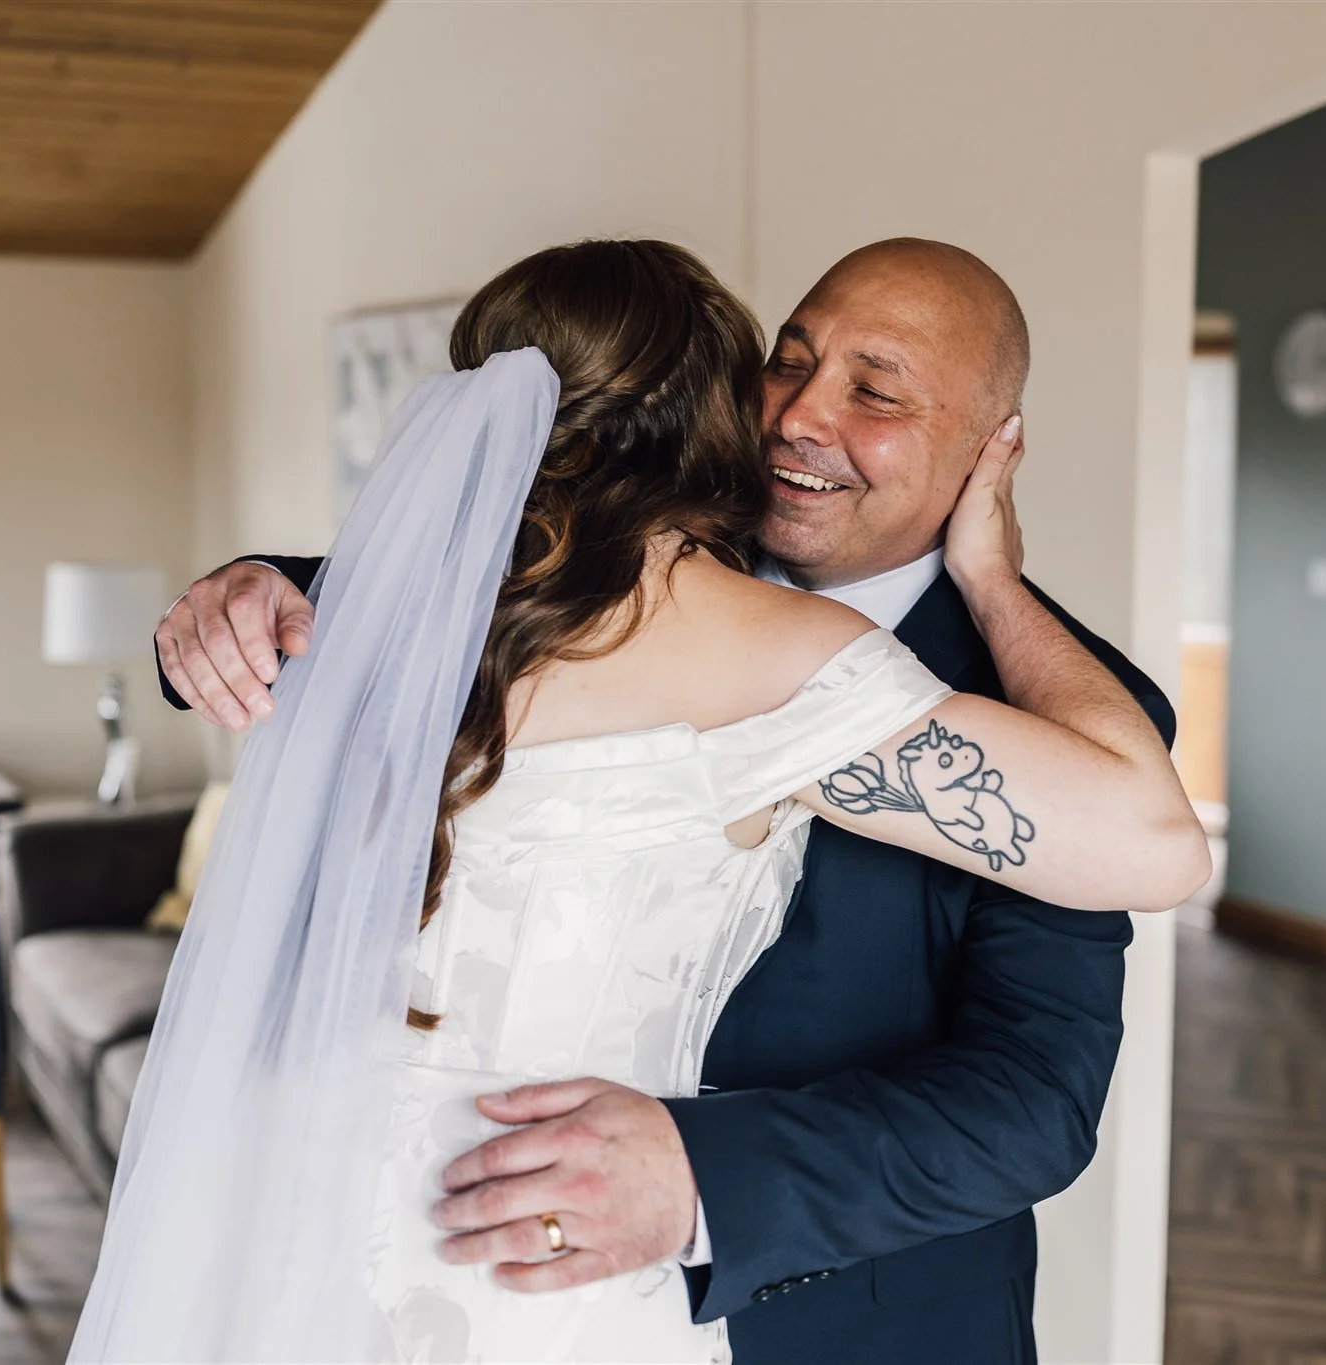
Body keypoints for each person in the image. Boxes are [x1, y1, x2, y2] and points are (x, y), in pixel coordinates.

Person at [138, 239, 1205, 1363]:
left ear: (991, 452)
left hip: (843, 1322)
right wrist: (239, 590)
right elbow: (393, 592)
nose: (796, 415)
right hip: (439, 1254)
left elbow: (1033, 1105)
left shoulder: (1079, 718)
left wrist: (703, 1174)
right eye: (784, 362)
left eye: (873, 391)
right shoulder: (589, 569)